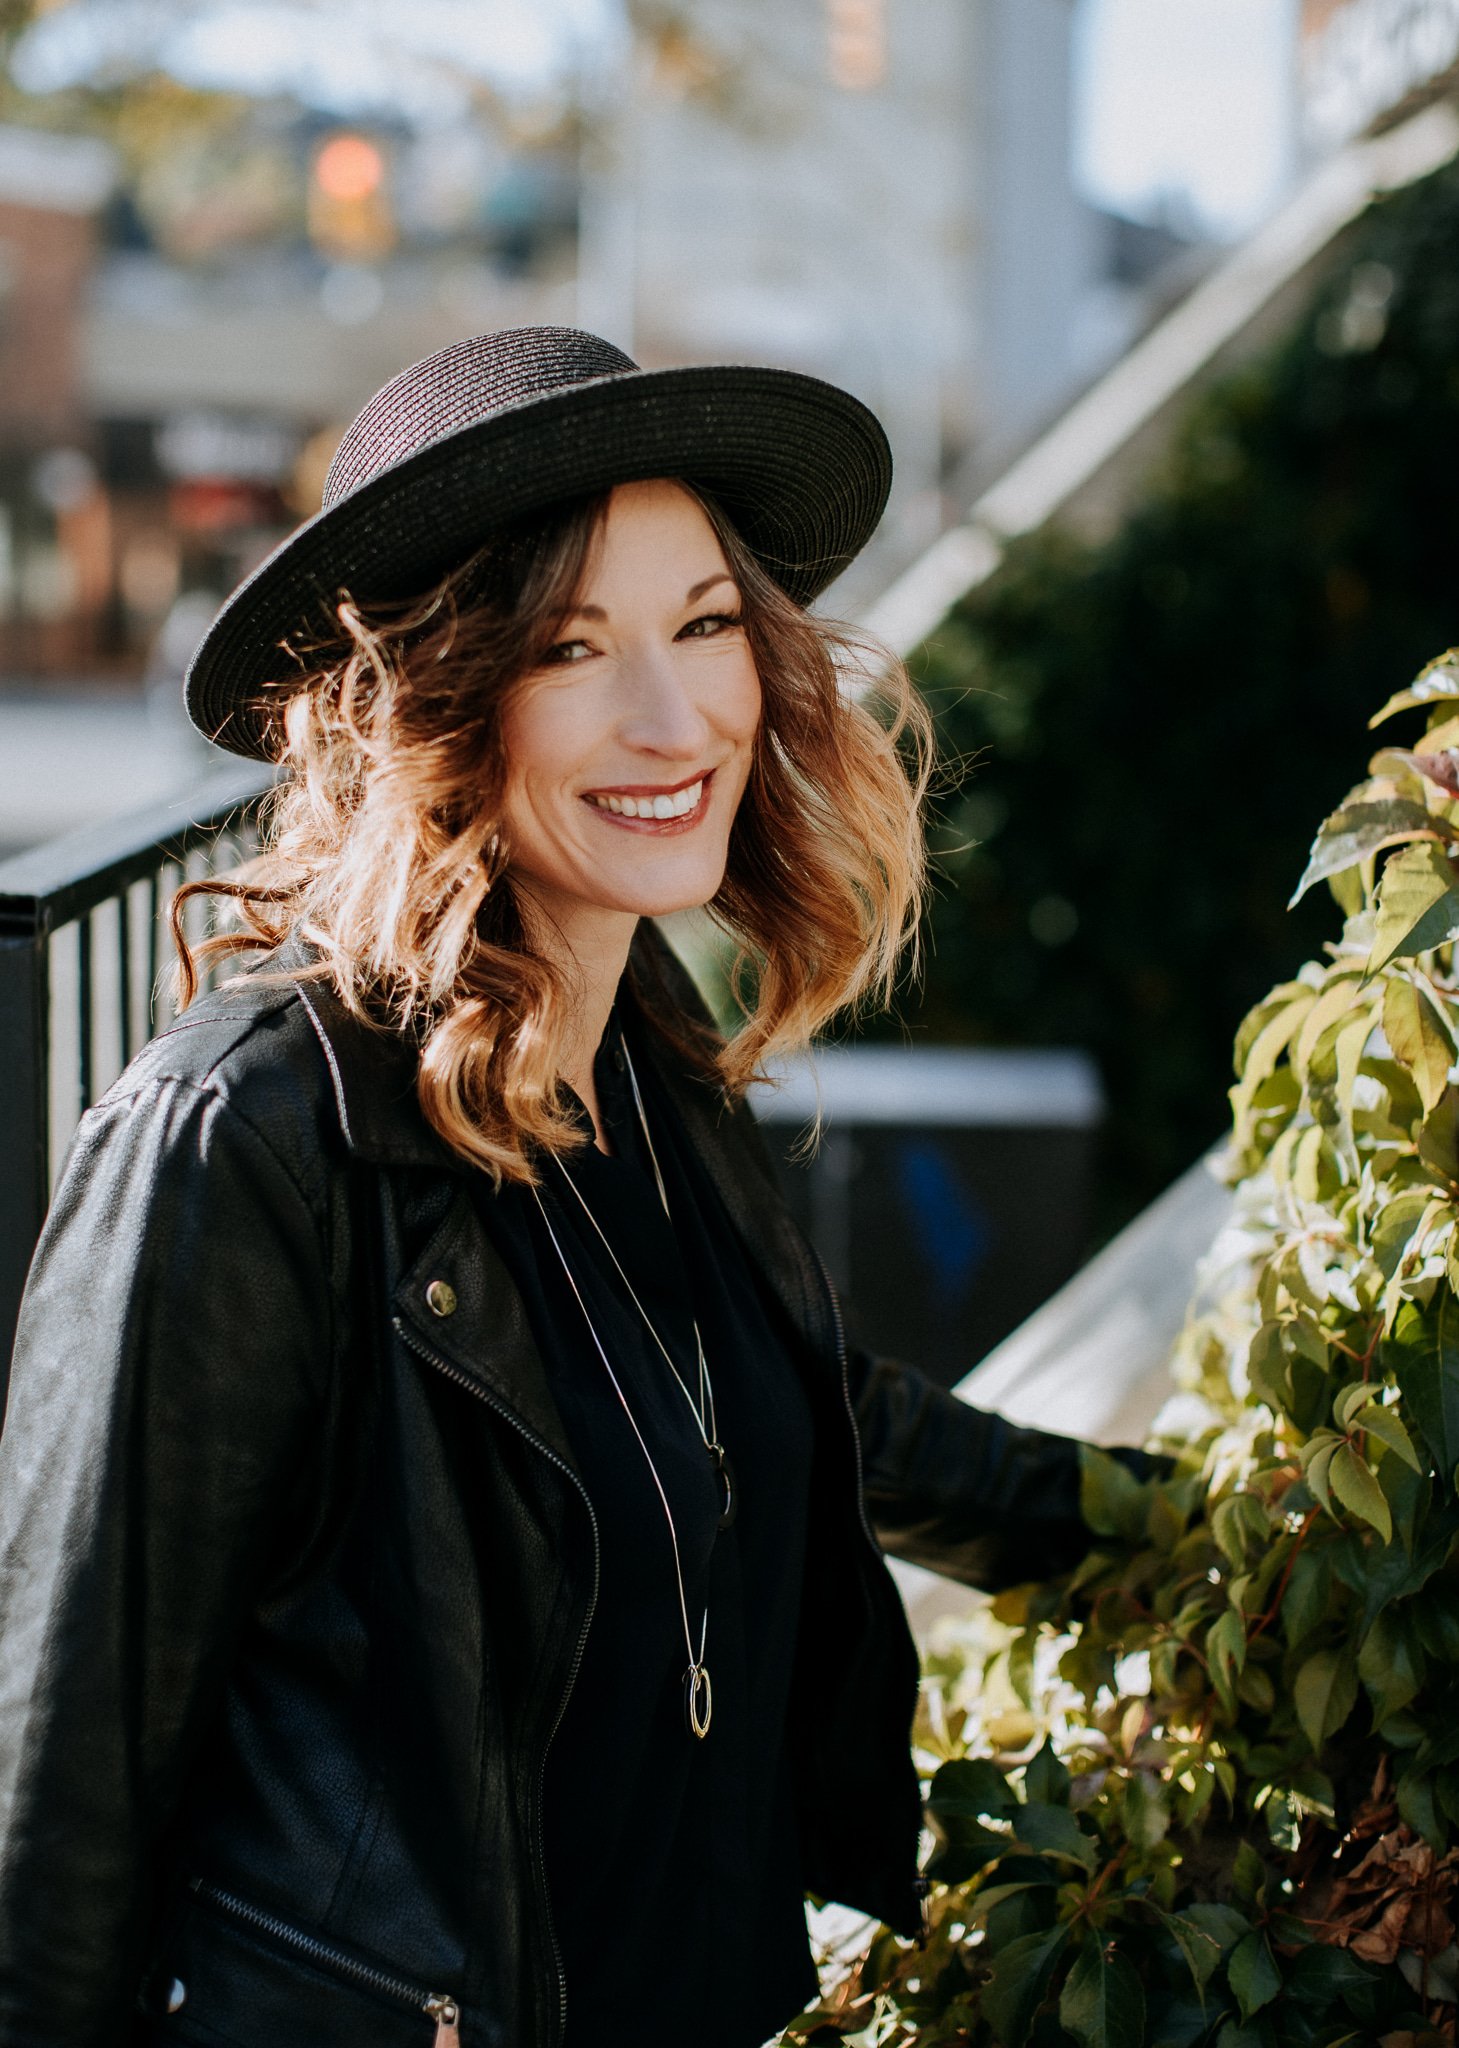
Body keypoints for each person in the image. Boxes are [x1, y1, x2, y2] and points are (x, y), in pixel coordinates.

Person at [0, 328, 1153, 2048]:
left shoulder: (636, 1041)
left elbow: (799, 1410)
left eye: (702, 624)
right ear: (434, 706)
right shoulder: (239, 1145)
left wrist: (1182, 1527)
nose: (673, 716)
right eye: (570, 647)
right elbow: (53, 1814)